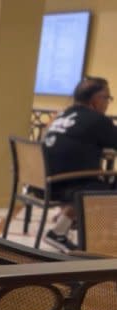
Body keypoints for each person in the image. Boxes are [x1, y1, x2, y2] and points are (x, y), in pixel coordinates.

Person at [42, 76, 117, 251]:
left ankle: (61, 228)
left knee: (96, 179)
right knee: (104, 184)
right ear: (95, 99)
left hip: (45, 183)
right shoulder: (97, 120)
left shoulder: (62, 115)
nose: (108, 102)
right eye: (107, 97)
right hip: (68, 185)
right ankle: (101, 243)